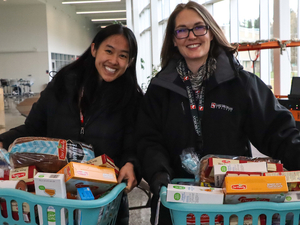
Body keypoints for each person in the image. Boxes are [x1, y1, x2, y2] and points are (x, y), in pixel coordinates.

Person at [135, 1, 300, 224]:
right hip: (178, 203)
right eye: (182, 30)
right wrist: (159, 175)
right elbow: (148, 139)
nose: (191, 36)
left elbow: (277, 131)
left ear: (211, 33)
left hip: (232, 204)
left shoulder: (241, 84)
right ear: (174, 40)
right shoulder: (160, 89)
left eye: (199, 27)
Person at [0, 24, 143, 225]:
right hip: (54, 197)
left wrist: (131, 164)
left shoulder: (131, 100)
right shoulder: (61, 86)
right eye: (108, 51)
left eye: (123, 56)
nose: (113, 61)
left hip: (103, 202)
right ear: (94, 50)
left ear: (129, 62)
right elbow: (32, 129)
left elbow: (134, 144)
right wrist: (3, 140)